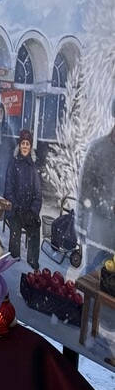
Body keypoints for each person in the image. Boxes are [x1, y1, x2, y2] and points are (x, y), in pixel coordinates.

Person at [77, 96, 115, 272]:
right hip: (98, 233)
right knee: (91, 282)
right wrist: (81, 228)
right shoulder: (98, 148)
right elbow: (85, 192)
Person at [3, 128, 42, 269]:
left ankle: (33, 263)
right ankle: (14, 261)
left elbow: (38, 194)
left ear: (31, 146)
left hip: (28, 211)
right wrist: (17, 208)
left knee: (35, 225)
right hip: (15, 210)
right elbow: (8, 190)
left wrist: (33, 212)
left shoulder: (33, 166)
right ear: (19, 145)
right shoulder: (13, 163)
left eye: (28, 143)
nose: (25, 146)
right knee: (16, 227)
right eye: (23, 143)